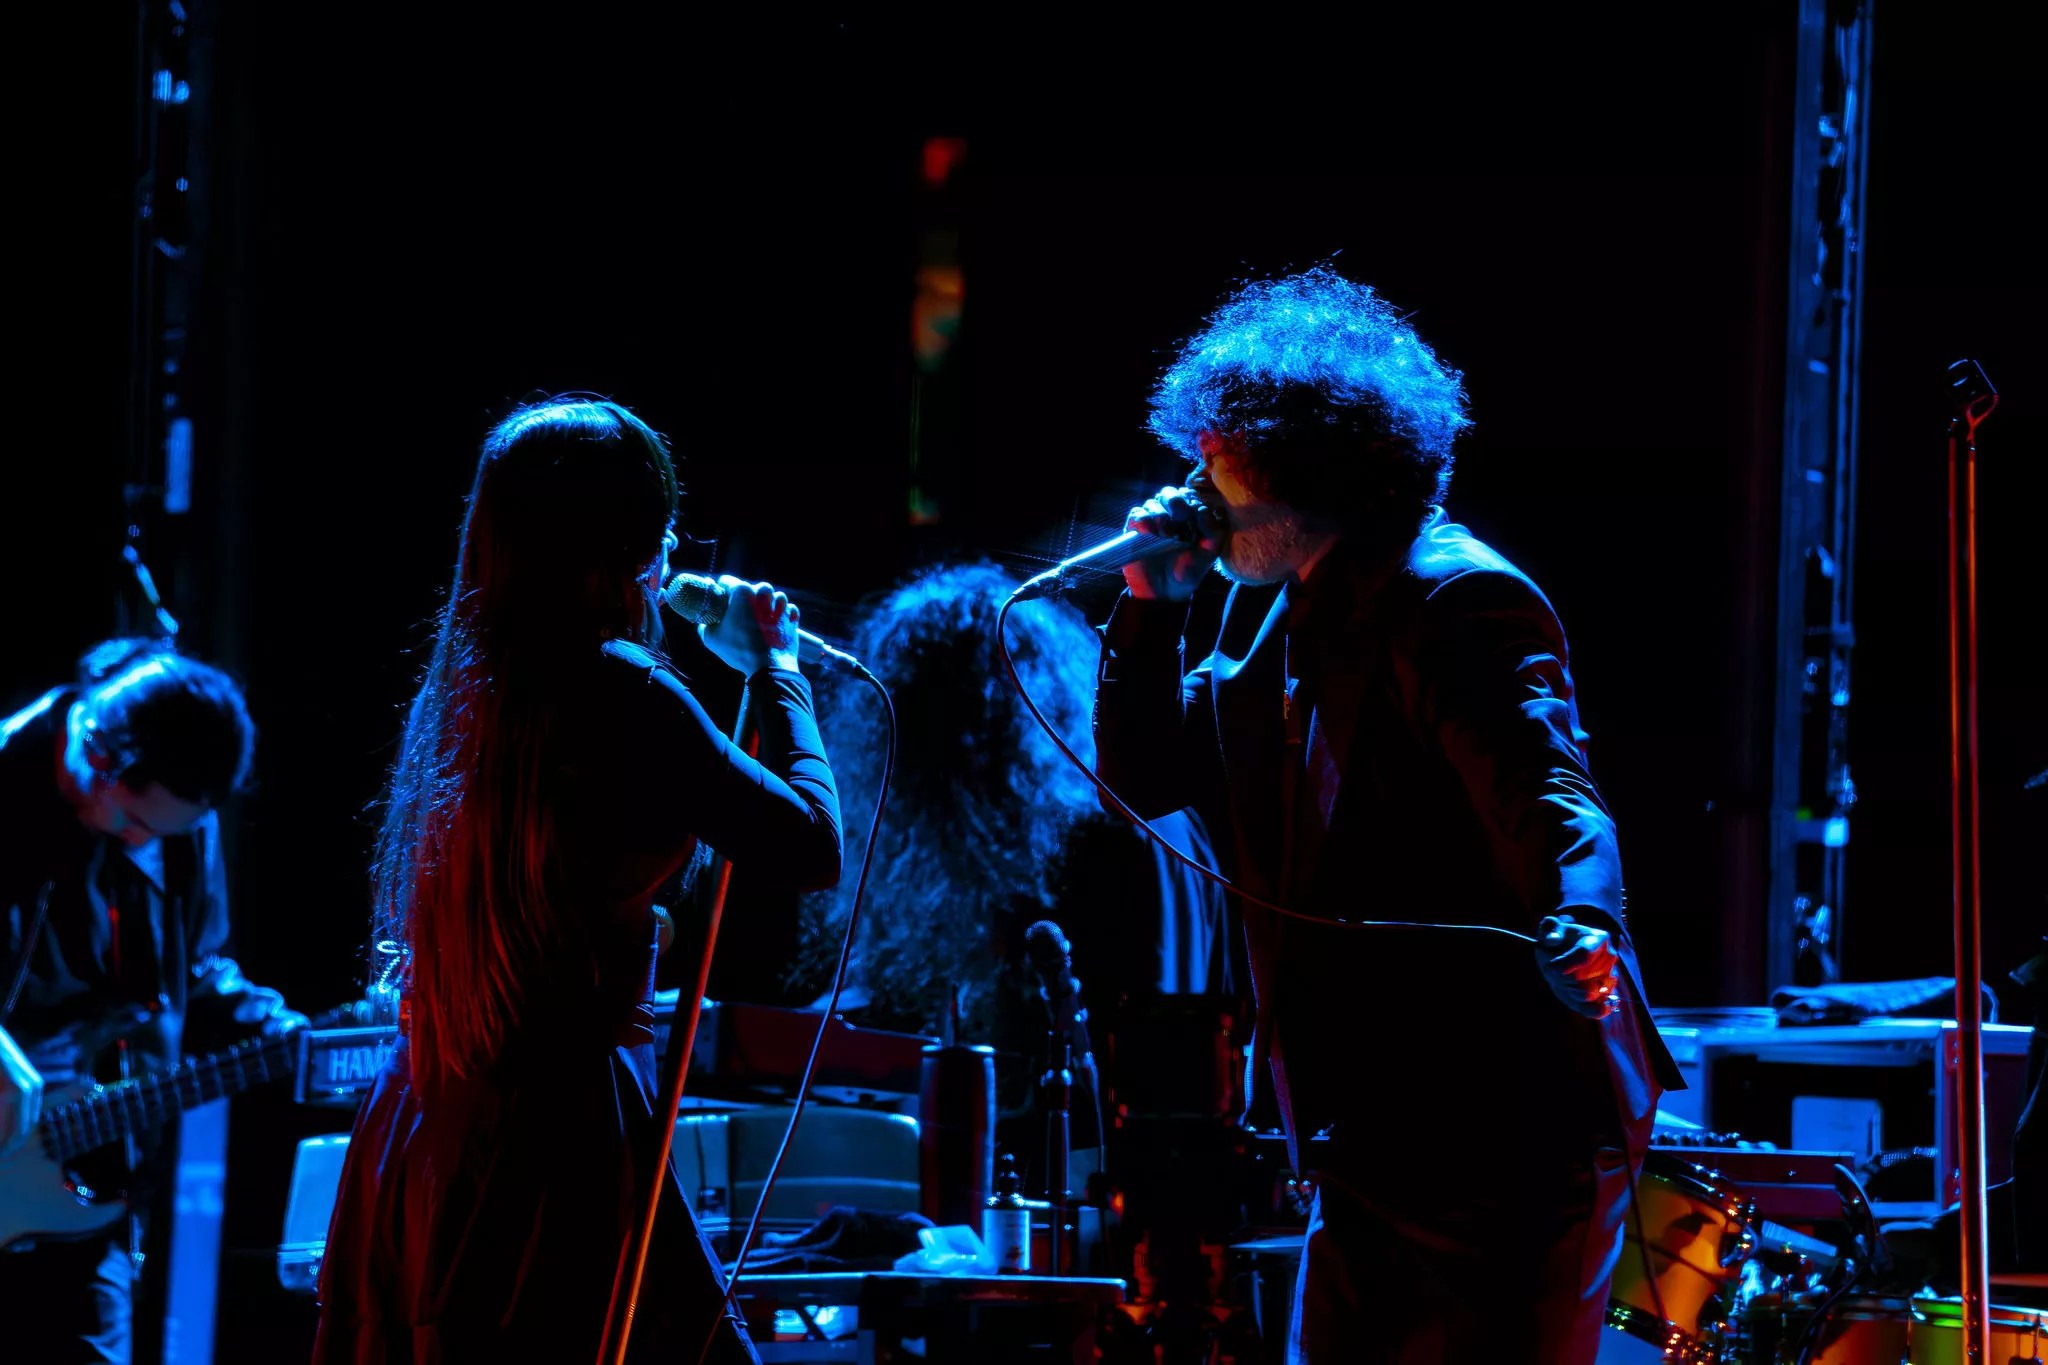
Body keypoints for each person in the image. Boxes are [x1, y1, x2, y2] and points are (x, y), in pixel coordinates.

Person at [1089, 267, 1683, 1363]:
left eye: (1216, 457)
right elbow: (1146, 783)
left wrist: (1586, 919)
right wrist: (1147, 612)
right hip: (1372, 1133)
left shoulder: (1453, 594)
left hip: (1506, 1135)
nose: (1196, 483)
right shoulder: (1269, 617)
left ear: (1301, 459)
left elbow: (1551, 789)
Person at [311, 397, 841, 1365]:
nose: (671, 546)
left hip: (431, 1118)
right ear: (623, 541)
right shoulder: (624, 685)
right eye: (659, 523)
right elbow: (810, 845)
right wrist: (777, 669)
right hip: (558, 1134)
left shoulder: (467, 685)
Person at [2, 637, 298, 1364]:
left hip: (84, 1184)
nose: (144, 845)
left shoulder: (180, 823)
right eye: (134, 824)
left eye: (163, 833)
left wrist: (276, 1028)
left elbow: (192, 970)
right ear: (95, 755)